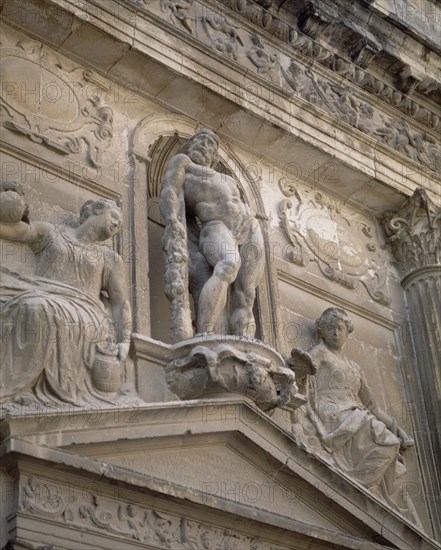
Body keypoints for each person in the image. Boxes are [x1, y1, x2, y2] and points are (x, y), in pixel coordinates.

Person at [0, 181, 131, 405]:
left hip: (85, 311)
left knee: (37, 308)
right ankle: (17, 389)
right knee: (28, 304)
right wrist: (12, 207)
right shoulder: (51, 233)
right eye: (113, 216)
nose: (117, 224)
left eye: (119, 226)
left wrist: (125, 340)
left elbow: (120, 303)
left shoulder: (110, 259)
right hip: (45, 293)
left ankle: (17, 388)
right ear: (94, 211)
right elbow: (13, 231)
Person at [302, 307, 414, 503]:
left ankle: (357, 483)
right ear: (322, 331)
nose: (335, 332)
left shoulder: (355, 367)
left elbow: (374, 407)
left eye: (339, 328)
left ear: (347, 331)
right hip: (330, 410)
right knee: (380, 436)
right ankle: (355, 486)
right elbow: (303, 370)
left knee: (390, 442)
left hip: (354, 413)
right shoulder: (319, 352)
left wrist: (400, 432)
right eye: (329, 328)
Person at [160, 129, 264, 339]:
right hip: (214, 227)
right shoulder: (183, 163)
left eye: (210, 145)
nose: (204, 146)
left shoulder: (226, 178)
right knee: (228, 265)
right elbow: (169, 191)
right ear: (190, 145)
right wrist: (172, 219)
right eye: (200, 141)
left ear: (214, 156)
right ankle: (205, 332)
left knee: (247, 293)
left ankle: (244, 341)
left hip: (249, 226)